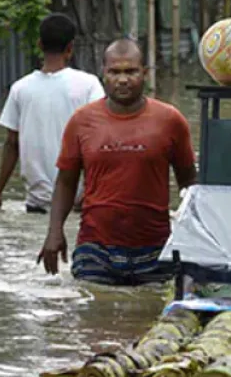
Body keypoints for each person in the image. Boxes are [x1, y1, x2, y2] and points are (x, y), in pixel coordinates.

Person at [37, 39, 197, 285]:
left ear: (145, 73)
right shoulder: (81, 121)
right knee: (93, 315)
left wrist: (196, 240)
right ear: (104, 74)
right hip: (95, 248)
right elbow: (66, 182)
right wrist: (54, 232)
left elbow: (190, 184)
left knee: (149, 317)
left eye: (131, 71)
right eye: (115, 72)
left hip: (156, 250)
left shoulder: (170, 120)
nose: (123, 80)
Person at [0, 13, 105, 214]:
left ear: (39, 45)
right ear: (70, 48)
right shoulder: (89, 85)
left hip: (36, 205)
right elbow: (100, 141)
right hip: (78, 204)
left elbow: (11, 144)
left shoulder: (20, 89)